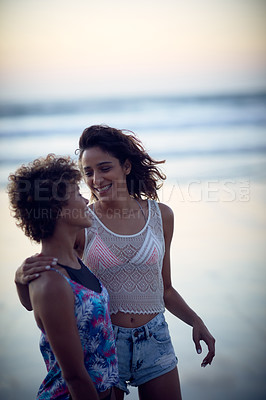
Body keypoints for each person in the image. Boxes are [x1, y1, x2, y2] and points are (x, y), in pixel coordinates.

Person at [15, 126, 215, 400]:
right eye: (88, 172)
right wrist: (21, 276)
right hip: (106, 345)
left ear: (127, 166)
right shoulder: (80, 221)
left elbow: (165, 289)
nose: (96, 179)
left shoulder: (161, 216)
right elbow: (40, 293)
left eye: (104, 168)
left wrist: (195, 320)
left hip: (155, 337)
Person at [8, 154, 118, 400]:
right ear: (56, 209)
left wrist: (19, 281)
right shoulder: (51, 282)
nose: (86, 198)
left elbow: (33, 307)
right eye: (77, 194)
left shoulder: (74, 260)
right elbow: (75, 376)